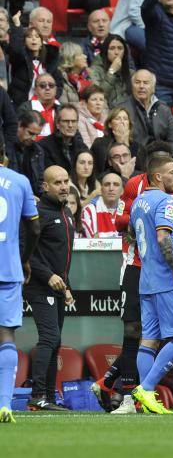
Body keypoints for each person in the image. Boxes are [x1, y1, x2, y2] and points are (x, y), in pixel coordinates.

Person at [127, 153, 173, 415]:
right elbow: (163, 239)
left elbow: (132, 236)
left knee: (149, 341)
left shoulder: (137, 202)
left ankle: (147, 403)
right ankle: (146, 388)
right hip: (167, 281)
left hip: (146, 280)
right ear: (158, 176)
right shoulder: (166, 202)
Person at [23, 166, 74, 411]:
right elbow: (26, 252)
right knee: (49, 338)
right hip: (38, 285)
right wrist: (49, 275)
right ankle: (37, 395)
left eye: (66, 181)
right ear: (45, 186)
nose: (63, 186)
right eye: (57, 182)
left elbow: (61, 256)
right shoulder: (38, 213)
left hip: (57, 286)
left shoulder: (67, 213)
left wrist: (67, 286)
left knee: (55, 341)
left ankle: (50, 397)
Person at [0, 139, 41, 423]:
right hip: (8, 270)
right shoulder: (19, 181)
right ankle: (4, 404)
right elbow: (35, 228)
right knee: (5, 339)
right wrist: (24, 257)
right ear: (4, 154)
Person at [119, 70, 173, 154]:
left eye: (146, 83)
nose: (141, 86)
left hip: (162, 159)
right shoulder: (122, 109)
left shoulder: (163, 109)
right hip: (135, 159)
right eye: (137, 82)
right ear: (132, 86)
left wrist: (165, 155)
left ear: (153, 88)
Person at [38, 105, 89, 173]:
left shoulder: (82, 147)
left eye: (73, 121)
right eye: (66, 121)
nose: (70, 125)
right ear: (57, 124)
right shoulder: (44, 146)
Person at [6, 112, 45, 197]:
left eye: (37, 135)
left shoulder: (38, 151)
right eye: (31, 133)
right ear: (19, 126)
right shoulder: (6, 146)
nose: (34, 138)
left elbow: (40, 182)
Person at [88, 35, 133, 107]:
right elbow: (98, 96)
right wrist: (111, 72)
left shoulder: (131, 73)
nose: (116, 52)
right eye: (112, 48)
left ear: (124, 52)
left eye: (120, 48)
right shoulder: (95, 70)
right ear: (105, 51)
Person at [81, 171, 123, 237]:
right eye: (107, 184)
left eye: (116, 184)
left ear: (122, 191)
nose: (111, 189)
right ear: (101, 190)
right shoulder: (89, 211)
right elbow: (89, 242)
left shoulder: (129, 210)